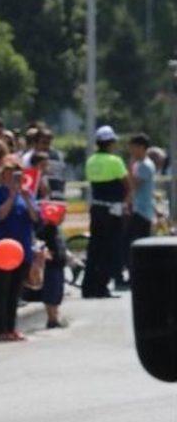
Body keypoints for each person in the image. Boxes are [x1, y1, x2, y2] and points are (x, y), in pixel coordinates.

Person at [0, 158, 39, 342]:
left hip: (21, 249)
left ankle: (12, 327)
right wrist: (11, 196)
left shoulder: (27, 194)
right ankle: (1, 330)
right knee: (1, 290)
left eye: (18, 174)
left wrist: (24, 197)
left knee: (15, 291)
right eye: (10, 174)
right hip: (2, 250)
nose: (14, 178)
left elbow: (36, 217)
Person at [83, 125, 129, 299]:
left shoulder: (90, 160)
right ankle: (102, 287)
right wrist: (126, 204)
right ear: (111, 143)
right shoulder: (115, 161)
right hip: (112, 209)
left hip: (96, 208)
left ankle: (88, 287)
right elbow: (126, 185)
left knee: (94, 248)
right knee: (110, 248)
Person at [127, 133, 155, 248]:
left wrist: (130, 166)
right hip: (138, 208)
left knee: (140, 244)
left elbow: (133, 185)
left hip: (142, 211)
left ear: (142, 147)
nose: (131, 151)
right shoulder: (139, 164)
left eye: (133, 147)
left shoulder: (145, 165)